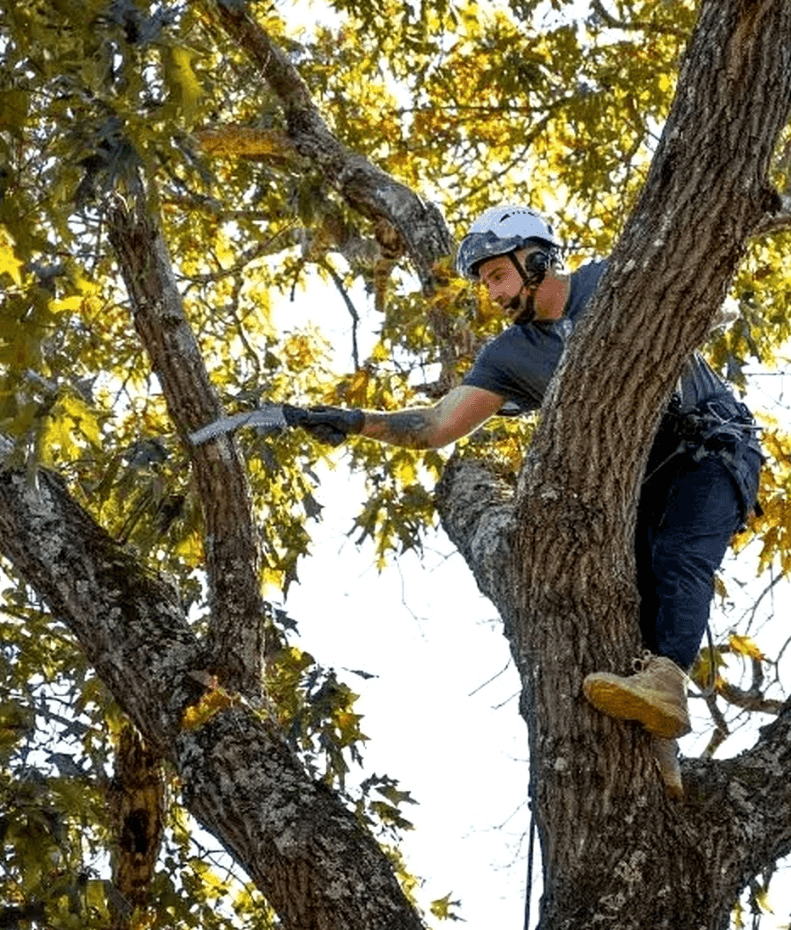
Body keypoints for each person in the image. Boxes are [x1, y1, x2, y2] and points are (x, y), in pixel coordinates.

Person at [286, 203, 763, 797]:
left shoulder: (614, 280)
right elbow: (436, 426)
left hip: (710, 451)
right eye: (484, 282)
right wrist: (356, 421)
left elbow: (715, 298)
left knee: (677, 560)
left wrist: (689, 317)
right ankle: (660, 750)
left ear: (535, 258)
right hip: (643, 483)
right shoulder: (509, 355)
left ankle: (668, 690)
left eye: (496, 276)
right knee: (635, 608)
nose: (491, 293)